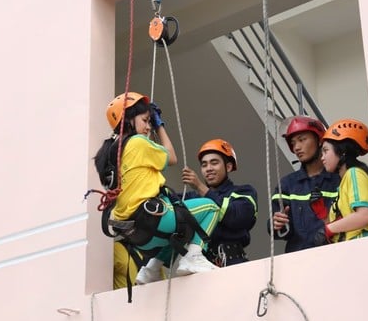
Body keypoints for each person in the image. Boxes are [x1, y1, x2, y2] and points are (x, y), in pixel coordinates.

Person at [94, 92, 219, 287]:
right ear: (128, 120)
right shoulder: (137, 143)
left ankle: (151, 269)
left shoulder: (109, 152)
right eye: (145, 120)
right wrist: (160, 125)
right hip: (150, 219)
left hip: (131, 230)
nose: (148, 126)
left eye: (150, 122)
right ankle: (193, 256)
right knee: (211, 208)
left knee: (177, 233)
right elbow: (172, 157)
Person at [180, 139, 258, 266]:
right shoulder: (192, 197)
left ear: (228, 166)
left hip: (233, 262)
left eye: (214, 163)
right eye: (204, 165)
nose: (208, 168)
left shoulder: (244, 192)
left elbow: (236, 217)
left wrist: (200, 187)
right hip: (200, 265)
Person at [270, 116, 340, 252]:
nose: (296, 147)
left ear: (319, 140)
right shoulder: (286, 184)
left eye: (302, 140)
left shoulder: (339, 179)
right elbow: (280, 231)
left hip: (335, 255)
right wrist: (276, 224)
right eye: (293, 143)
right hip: (298, 260)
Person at [317, 118, 368, 244]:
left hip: (364, 246)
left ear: (342, 152)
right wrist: (323, 216)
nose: (322, 158)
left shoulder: (354, 174)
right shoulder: (344, 181)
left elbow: (365, 215)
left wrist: (327, 230)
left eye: (326, 151)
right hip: (354, 249)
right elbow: (344, 227)